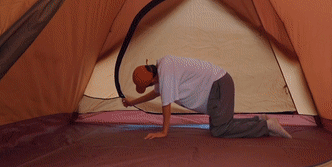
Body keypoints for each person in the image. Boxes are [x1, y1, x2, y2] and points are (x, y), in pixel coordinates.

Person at [122, 55, 292, 140]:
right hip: (218, 85)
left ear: (152, 79)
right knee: (221, 125)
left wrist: (164, 132)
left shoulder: (165, 74)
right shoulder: (164, 65)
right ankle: (259, 120)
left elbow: (165, 104)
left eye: (148, 85)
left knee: (220, 130)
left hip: (219, 85)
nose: (151, 87)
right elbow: (156, 93)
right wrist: (131, 102)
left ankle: (267, 126)